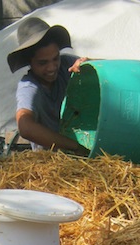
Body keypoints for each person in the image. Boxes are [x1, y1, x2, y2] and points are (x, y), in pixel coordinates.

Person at [7, 17, 90, 155]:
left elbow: (105, 71)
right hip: (53, 162)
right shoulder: (29, 87)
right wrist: (74, 146)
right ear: (30, 62)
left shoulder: (66, 64)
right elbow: (25, 127)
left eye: (55, 58)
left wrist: (89, 64)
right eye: (42, 63)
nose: (52, 67)